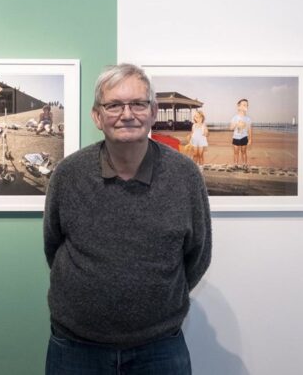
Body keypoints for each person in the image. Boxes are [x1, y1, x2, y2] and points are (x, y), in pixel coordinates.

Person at [43, 63, 211, 375]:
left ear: (153, 111)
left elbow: (198, 255)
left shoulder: (184, 175)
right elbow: (53, 245)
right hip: (76, 347)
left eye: (138, 103)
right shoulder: (68, 175)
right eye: (114, 105)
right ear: (97, 116)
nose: (127, 113)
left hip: (159, 346)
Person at [230, 98, 252, 166]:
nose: (246, 106)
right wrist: (237, 124)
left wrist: (250, 139)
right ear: (239, 106)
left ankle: (244, 164)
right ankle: (235, 164)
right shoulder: (235, 117)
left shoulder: (248, 118)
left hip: (244, 137)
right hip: (236, 137)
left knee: (244, 152)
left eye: (247, 105)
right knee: (236, 152)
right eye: (244, 105)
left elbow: (249, 129)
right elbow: (231, 128)